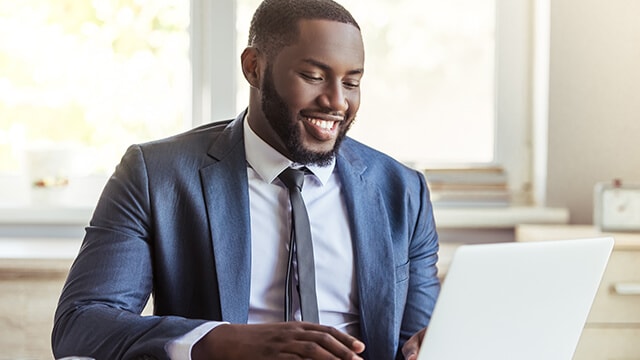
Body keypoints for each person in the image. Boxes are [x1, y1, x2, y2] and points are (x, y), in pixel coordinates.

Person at [52, 0, 440, 359]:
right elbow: (82, 323)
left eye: (352, 82)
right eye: (312, 76)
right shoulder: (156, 175)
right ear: (254, 67)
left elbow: (420, 338)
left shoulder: (403, 191)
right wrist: (222, 340)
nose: (337, 101)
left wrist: (433, 345)